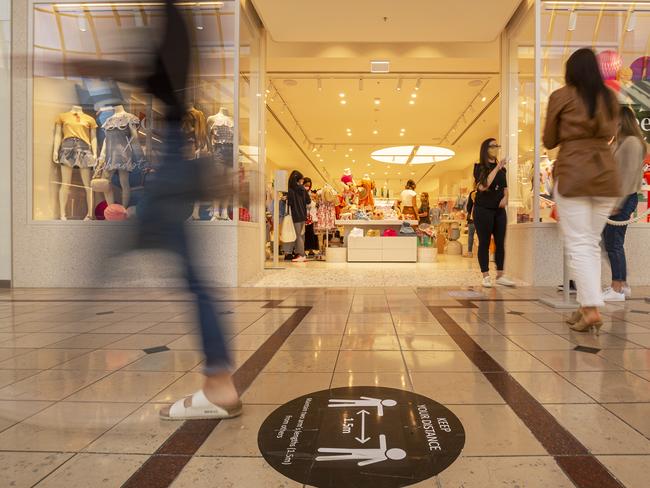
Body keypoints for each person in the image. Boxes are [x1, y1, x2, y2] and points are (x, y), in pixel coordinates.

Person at [543, 47, 620, 333]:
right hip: (605, 173)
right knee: (590, 242)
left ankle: (590, 309)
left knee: (579, 244)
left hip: (574, 172)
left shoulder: (561, 96)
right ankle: (587, 305)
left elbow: (549, 139)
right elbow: (611, 132)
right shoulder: (609, 97)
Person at [602, 106, 646, 301]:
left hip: (624, 197)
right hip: (616, 197)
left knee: (614, 242)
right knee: (609, 241)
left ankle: (618, 287)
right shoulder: (619, 143)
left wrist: (617, 203)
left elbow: (628, 176)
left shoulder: (631, 143)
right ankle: (621, 284)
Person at [473, 139, 515, 288]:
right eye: (493, 146)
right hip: (482, 209)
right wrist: (497, 166)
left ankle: (501, 275)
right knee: (484, 242)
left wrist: (506, 199)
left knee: (500, 242)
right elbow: (484, 186)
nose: (496, 148)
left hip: (499, 211)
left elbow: (505, 188)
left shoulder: (503, 170)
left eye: (498, 145)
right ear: (486, 149)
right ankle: (485, 275)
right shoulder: (479, 168)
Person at [287, 170, 311, 262]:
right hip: (303, 215)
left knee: (298, 235)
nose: (302, 182)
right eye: (301, 179)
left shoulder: (291, 190)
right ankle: (299, 254)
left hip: (296, 215)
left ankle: (302, 255)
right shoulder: (302, 189)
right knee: (300, 234)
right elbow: (308, 201)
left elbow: (290, 203)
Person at [303, 178, 320, 256]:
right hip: (303, 216)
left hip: (311, 216)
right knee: (305, 233)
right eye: (306, 185)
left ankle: (311, 250)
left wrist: (315, 202)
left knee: (311, 233)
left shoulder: (311, 194)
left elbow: (313, 205)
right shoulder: (301, 193)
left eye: (309, 186)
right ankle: (303, 250)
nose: (307, 187)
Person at [464, 188, 477, 257]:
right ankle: (483, 252)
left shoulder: (472, 193)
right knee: (482, 236)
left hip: (472, 218)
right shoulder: (485, 192)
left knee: (470, 235)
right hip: (481, 218)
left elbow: (469, 206)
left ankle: (470, 252)